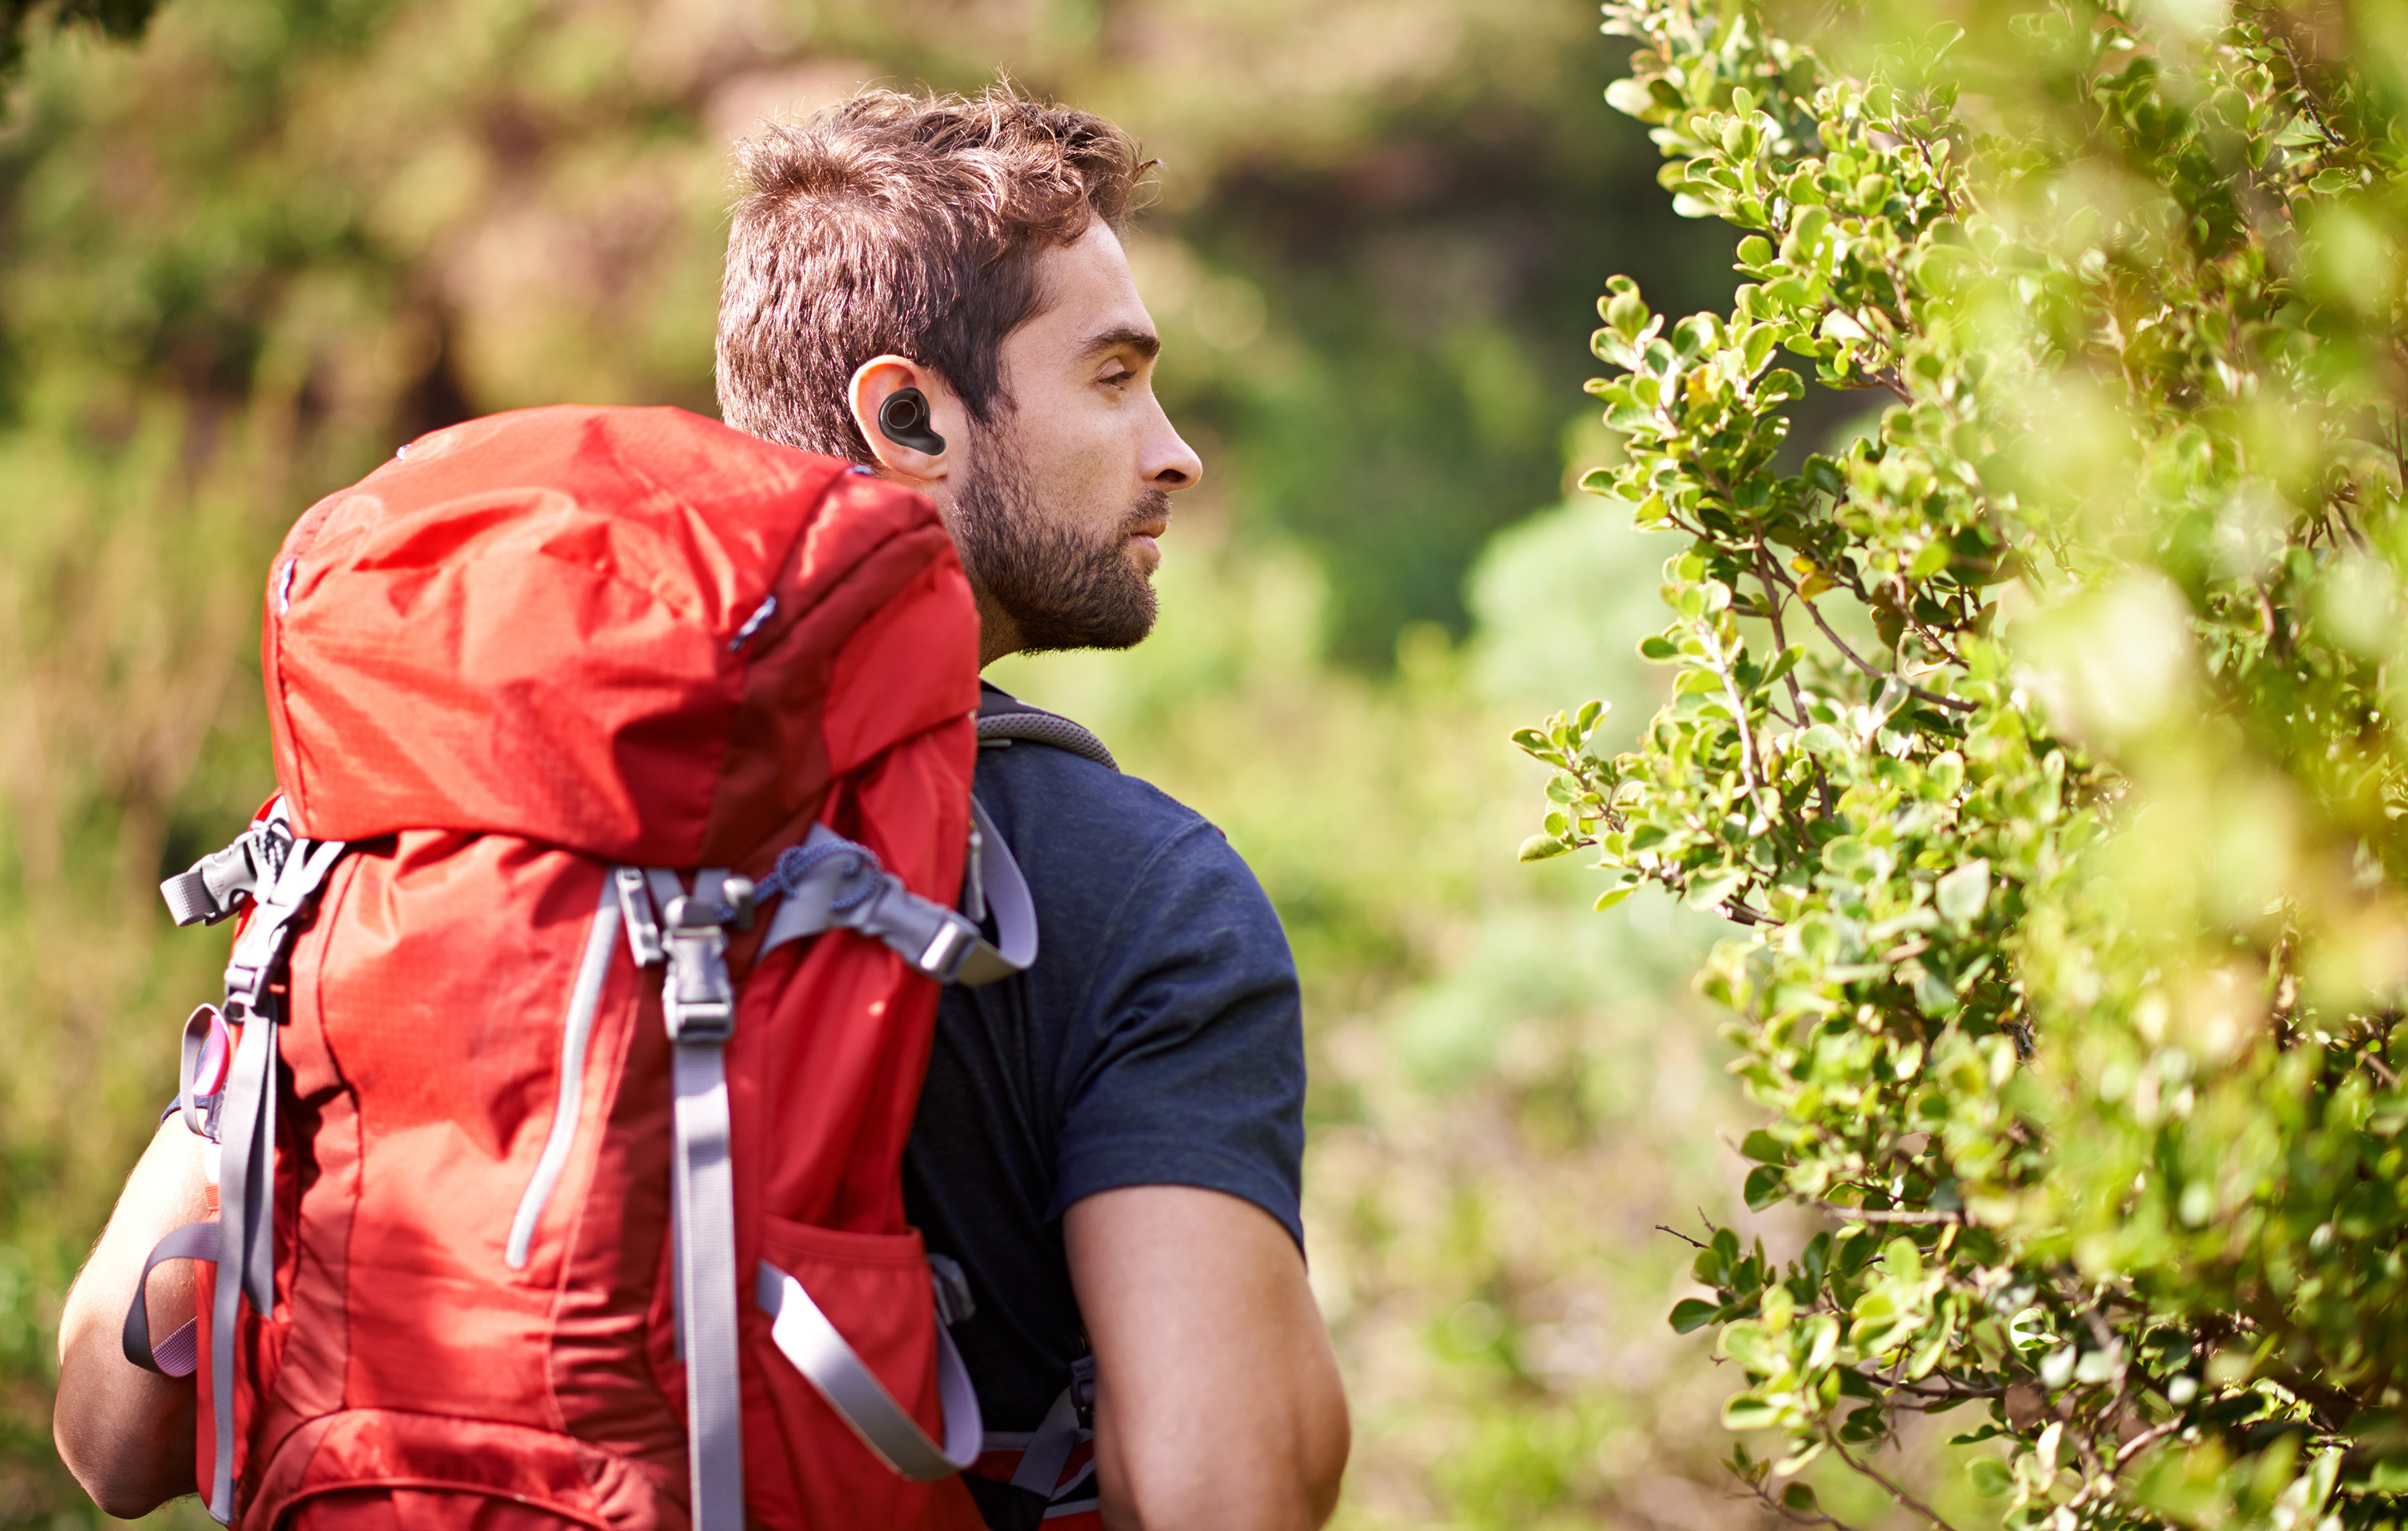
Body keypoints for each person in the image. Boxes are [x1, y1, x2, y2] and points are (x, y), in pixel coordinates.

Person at [53, 85, 1349, 1531]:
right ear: (909, 414)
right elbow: (1225, 1494)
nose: (1175, 450)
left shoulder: (436, 808)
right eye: (1114, 377)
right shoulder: (1136, 887)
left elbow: (112, 1427)